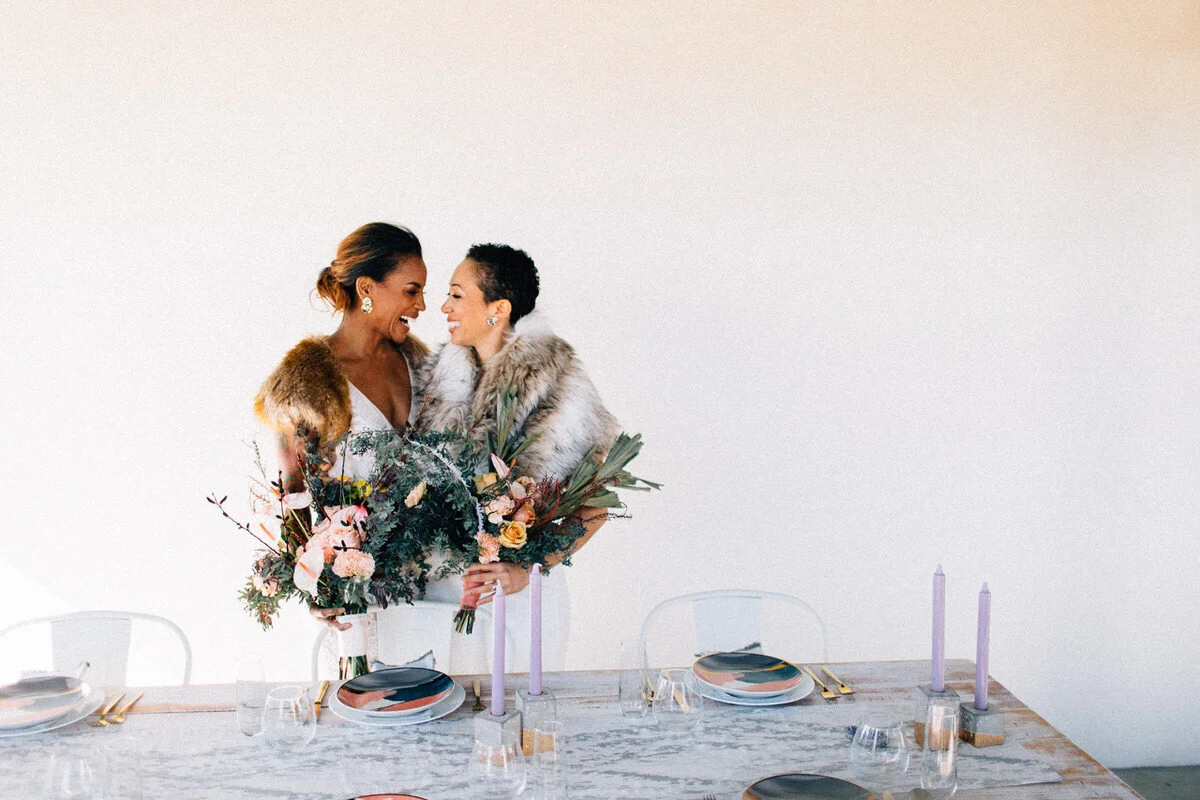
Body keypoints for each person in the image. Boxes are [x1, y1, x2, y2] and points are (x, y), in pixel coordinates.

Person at [413, 243, 621, 669]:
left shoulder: (556, 380)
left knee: (515, 706)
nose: (444, 307)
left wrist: (529, 569)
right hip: (441, 599)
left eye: (457, 295)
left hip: (520, 601)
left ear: (499, 309)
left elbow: (598, 501)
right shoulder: (439, 381)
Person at [253, 221, 429, 632]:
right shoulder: (305, 382)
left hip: (436, 589)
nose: (422, 306)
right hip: (356, 599)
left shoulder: (421, 365)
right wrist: (314, 589)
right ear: (367, 288)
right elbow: (292, 493)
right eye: (411, 291)